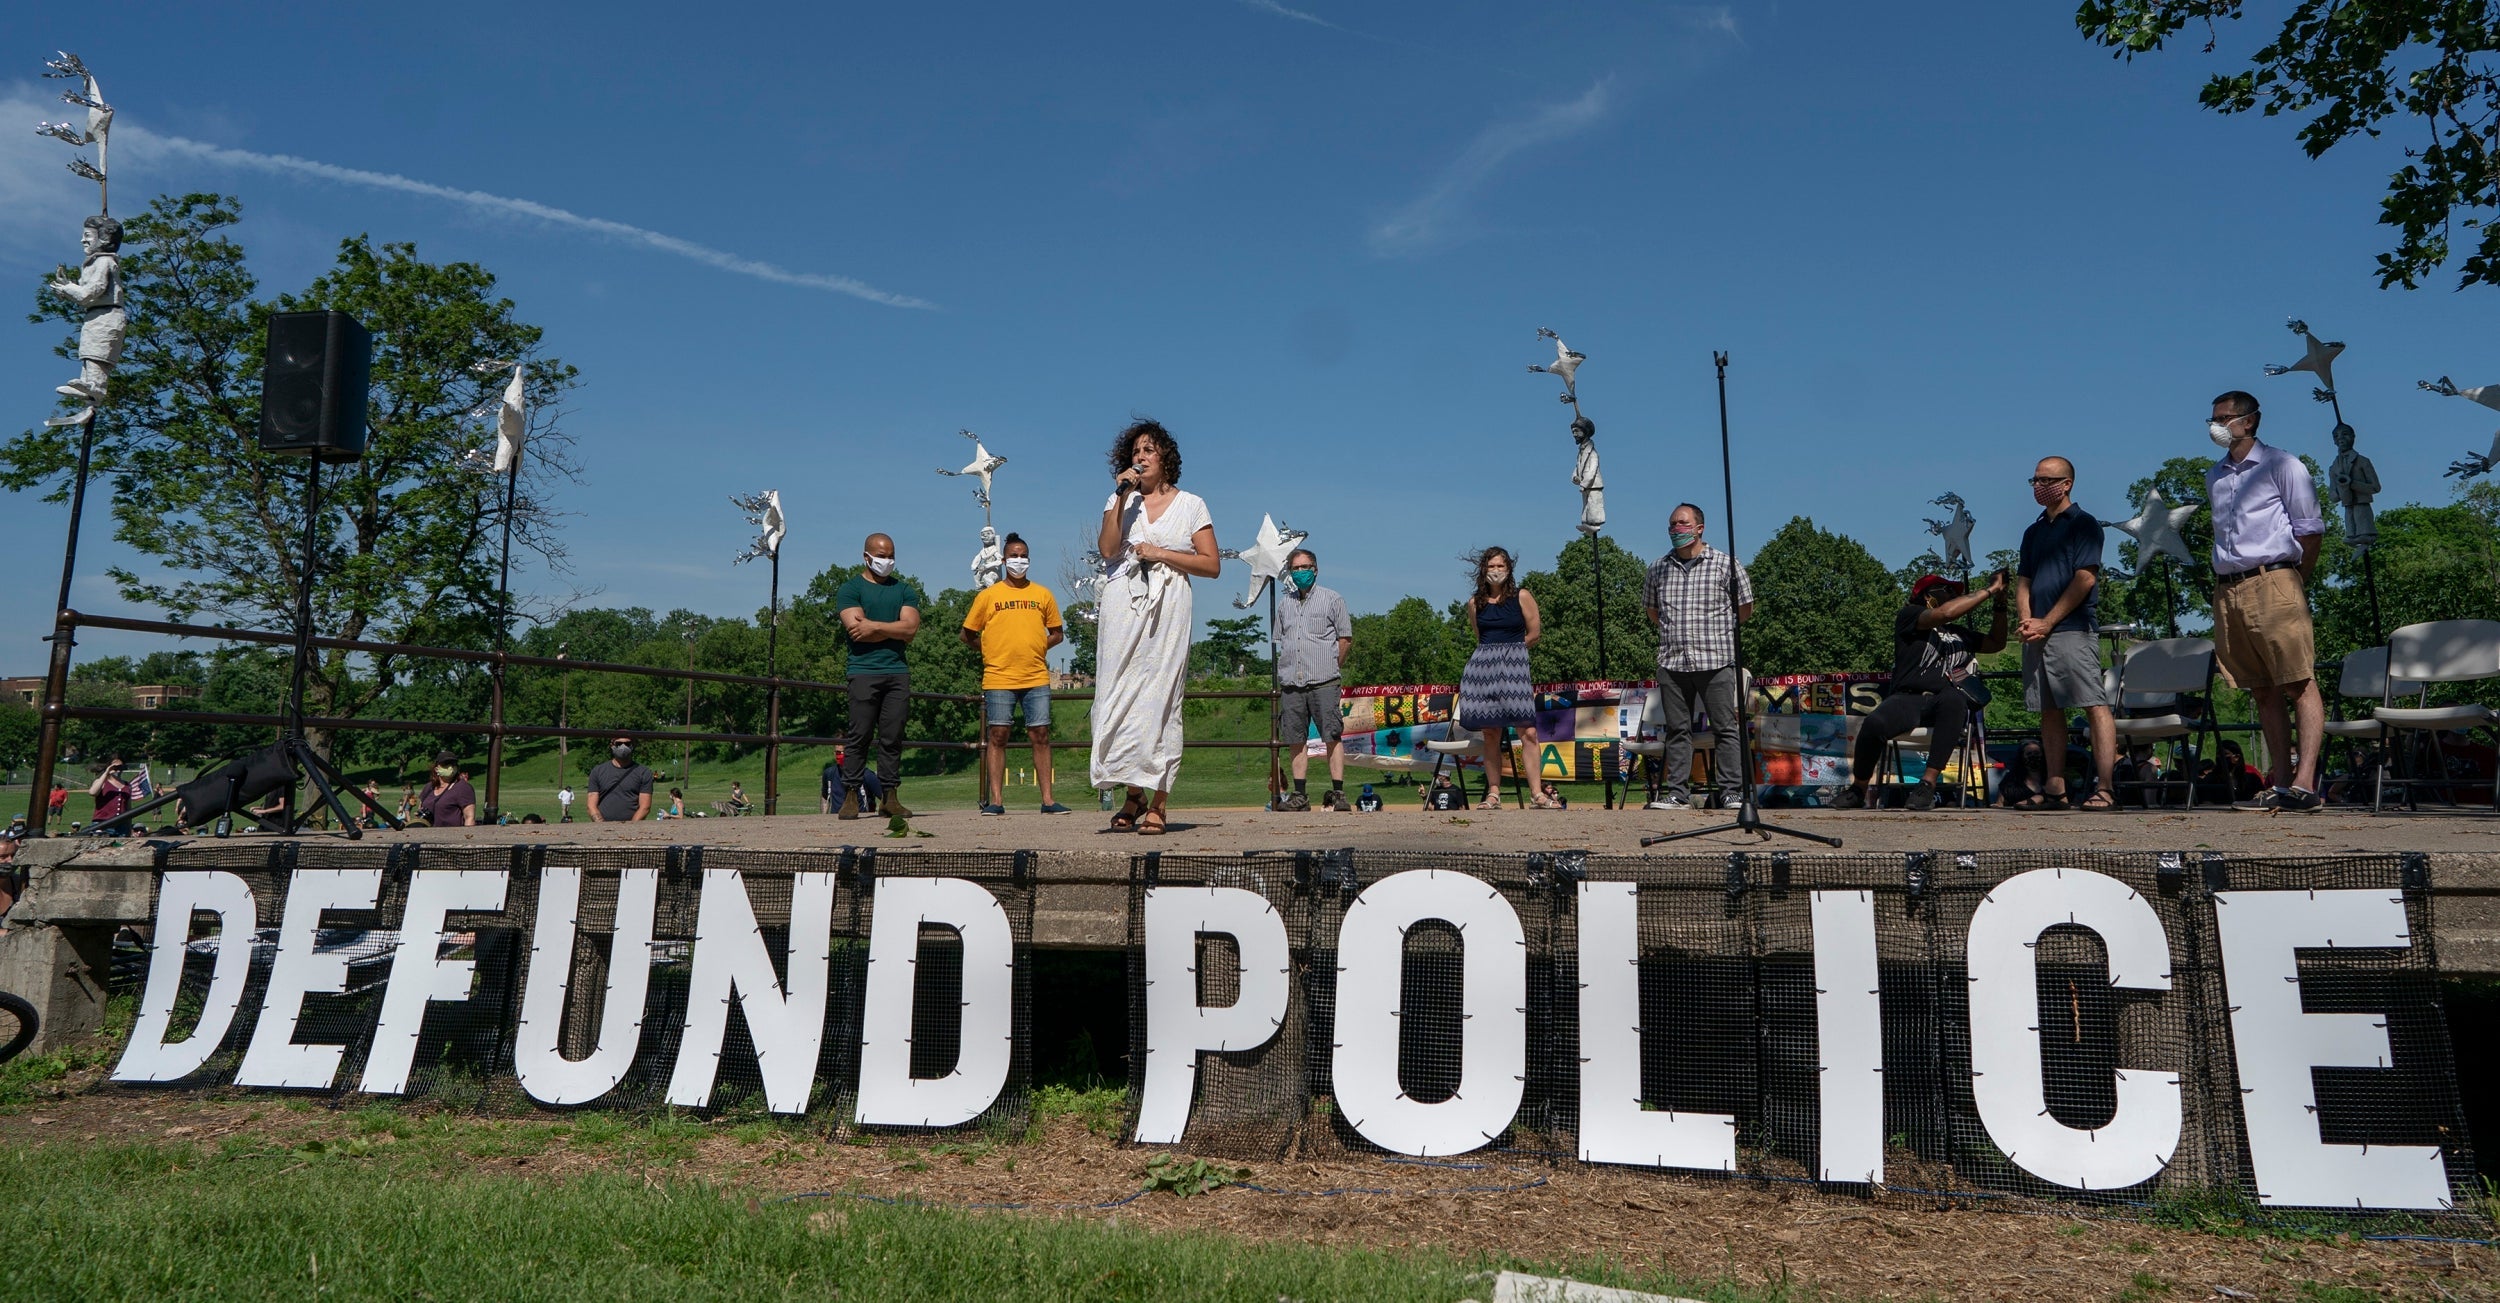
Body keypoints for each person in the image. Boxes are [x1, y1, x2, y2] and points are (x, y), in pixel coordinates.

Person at [1091, 418, 1221, 836]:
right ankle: (1133, 793)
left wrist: (1161, 553)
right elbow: (1108, 550)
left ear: (1165, 457)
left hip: (1168, 608)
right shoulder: (1120, 502)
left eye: (1148, 450)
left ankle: (1158, 801)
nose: (1140, 458)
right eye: (1135, 452)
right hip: (1122, 607)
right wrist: (1119, 494)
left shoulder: (1192, 504)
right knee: (1118, 697)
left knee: (1160, 700)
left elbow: (1211, 565)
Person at [2207, 391, 2329, 811]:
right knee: (2260, 689)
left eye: (2225, 418)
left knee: (2297, 679)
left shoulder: (2283, 465)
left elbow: (2310, 529)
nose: (2217, 425)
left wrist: (2296, 580)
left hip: (2273, 577)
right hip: (2228, 586)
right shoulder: (2216, 476)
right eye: (2214, 418)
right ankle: (2279, 780)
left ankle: (2306, 782)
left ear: (2250, 421)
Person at [1835, 571, 2008, 812]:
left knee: (1955, 700)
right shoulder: (1910, 616)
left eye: (1955, 593)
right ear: (1927, 595)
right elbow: (1945, 613)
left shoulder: (1960, 633)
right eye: (1946, 590)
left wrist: (2000, 603)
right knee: (1874, 724)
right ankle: (1858, 788)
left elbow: (1997, 643)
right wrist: (1989, 590)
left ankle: (1927, 784)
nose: (1952, 595)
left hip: (1944, 702)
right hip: (1908, 698)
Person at [2017, 457, 2117, 811]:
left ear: (2067, 483)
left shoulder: (2085, 525)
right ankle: (2055, 786)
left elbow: (2085, 578)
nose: (2038, 486)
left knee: (2094, 703)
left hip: (2073, 629)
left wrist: (2049, 620)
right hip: (2037, 634)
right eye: (2034, 480)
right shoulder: (2033, 531)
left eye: (2046, 480)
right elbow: (2024, 580)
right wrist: (2029, 620)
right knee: (2048, 708)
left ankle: (2105, 787)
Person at [1643, 504, 1755, 812]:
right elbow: (1652, 611)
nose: (1676, 529)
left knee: (1725, 728)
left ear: (1699, 528)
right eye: (1672, 524)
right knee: (1678, 730)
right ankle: (1677, 794)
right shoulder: (1658, 568)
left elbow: (1745, 608)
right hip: (1673, 662)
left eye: (1682, 523)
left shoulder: (1725, 564)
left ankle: (1731, 792)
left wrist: (1721, 632)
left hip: (1716, 660)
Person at [961, 531, 1070, 815]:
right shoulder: (989, 595)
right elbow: (967, 633)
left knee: (1041, 734)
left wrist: (1038, 646)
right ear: (1003, 559)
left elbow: (1057, 633)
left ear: (1029, 560)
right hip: (999, 676)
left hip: (1035, 676)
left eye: (1023, 556)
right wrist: (988, 650)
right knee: (997, 734)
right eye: (1013, 556)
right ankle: (996, 801)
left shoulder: (1043, 594)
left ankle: (1048, 800)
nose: (1018, 561)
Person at [1458, 547, 1556, 810]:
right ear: (1483, 570)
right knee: (1490, 732)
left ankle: (1537, 793)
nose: (1496, 571)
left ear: (1509, 569)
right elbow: (1480, 637)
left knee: (1529, 731)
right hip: (1482, 672)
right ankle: (1493, 793)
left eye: (1501, 566)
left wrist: (1511, 652)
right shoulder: (1474, 604)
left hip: (1515, 669)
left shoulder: (1522, 596)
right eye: (1491, 566)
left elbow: (1534, 633)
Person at [836, 533, 923, 820]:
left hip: (897, 672)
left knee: (892, 736)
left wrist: (875, 625)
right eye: (881, 555)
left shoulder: (905, 590)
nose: (886, 561)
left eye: (890, 555)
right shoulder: (850, 589)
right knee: (859, 734)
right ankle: (850, 794)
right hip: (863, 672)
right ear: (866, 556)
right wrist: (891, 627)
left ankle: (890, 796)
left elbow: (910, 630)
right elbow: (857, 630)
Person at [1270, 547, 1354, 812]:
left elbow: (1345, 638)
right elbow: (1280, 640)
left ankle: (1338, 793)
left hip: (1324, 681)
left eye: (1305, 567)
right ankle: (1299, 795)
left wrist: (1331, 665)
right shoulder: (1285, 605)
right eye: (1295, 568)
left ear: (1315, 569)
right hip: (1292, 683)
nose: (1300, 572)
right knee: (1296, 739)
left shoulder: (1333, 599)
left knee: (1332, 735)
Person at [587, 737, 652, 823]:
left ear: (632, 746)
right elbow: (591, 805)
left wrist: (631, 827)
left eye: (627, 744)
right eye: (619, 744)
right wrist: (602, 826)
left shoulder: (643, 772)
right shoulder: (598, 771)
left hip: (632, 828)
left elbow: (645, 807)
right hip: (602, 827)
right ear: (612, 745)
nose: (623, 747)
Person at [419, 751, 476, 827]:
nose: (450, 767)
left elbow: (469, 818)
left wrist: (467, 836)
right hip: (428, 835)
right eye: (446, 764)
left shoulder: (463, 788)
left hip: (452, 836)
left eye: (453, 764)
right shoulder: (429, 787)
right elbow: (420, 809)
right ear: (436, 768)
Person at [1999, 738, 2053, 809]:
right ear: (2022, 757)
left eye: (2036, 753)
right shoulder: (2011, 779)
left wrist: (2041, 797)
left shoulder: (2053, 777)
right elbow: (2000, 802)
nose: (2033, 756)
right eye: (2029, 754)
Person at [88, 758, 133, 831]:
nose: (118, 770)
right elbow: (92, 792)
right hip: (102, 822)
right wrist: (106, 772)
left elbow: (128, 808)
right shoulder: (102, 782)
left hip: (121, 824)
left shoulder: (127, 785)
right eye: (115, 767)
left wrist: (129, 827)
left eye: (120, 767)